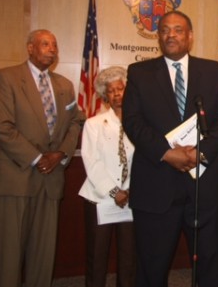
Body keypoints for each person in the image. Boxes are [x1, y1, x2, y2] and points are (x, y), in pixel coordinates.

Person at [122, 10, 218, 287]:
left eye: (178, 29)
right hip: (156, 184)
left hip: (203, 187)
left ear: (190, 36)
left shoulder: (213, 71)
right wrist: (166, 152)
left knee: (210, 263)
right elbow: (133, 122)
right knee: (151, 264)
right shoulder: (139, 73)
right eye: (165, 29)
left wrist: (201, 153)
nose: (171, 34)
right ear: (158, 36)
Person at [0, 29, 82, 287]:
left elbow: (75, 122)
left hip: (51, 178)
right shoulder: (6, 78)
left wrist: (60, 154)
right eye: (45, 44)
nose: (51, 49)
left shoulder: (64, 85)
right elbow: (3, 127)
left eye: (54, 45)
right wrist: (38, 158)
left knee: (43, 252)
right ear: (30, 48)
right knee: (11, 251)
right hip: (17, 176)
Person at [78, 66, 136, 287]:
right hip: (100, 198)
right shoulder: (93, 124)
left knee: (129, 256)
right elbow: (91, 161)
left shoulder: (138, 123)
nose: (117, 94)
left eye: (121, 88)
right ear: (105, 95)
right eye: (112, 90)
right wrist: (114, 192)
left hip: (131, 197)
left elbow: (142, 160)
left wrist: (129, 191)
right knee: (97, 256)